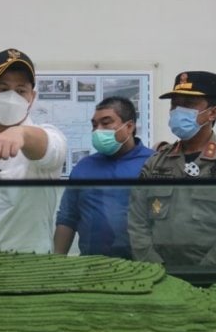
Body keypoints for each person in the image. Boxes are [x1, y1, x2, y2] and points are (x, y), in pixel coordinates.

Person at [128, 71, 216, 266]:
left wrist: (203, 274)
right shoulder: (155, 162)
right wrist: (155, 268)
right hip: (158, 274)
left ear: (213, 112)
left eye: (188, 104)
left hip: (212, 276)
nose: (177, 111)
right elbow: (137, 221)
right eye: (174, 104)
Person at [0, 48, 67, 253]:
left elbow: (53, 148)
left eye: (21, 91)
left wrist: (21, 133)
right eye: (2, 88)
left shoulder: (46, 136)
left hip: (28, 266)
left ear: (32, 97)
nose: (12, 97)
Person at [54, 96, 154, 258]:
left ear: (129, 127)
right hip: (91, 264)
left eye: (106, 123)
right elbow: (67, 217)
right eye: (94, 125)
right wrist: (57, 260)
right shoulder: (84, 167)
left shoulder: (153, 163)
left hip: (142, 264)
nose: (98, 130)